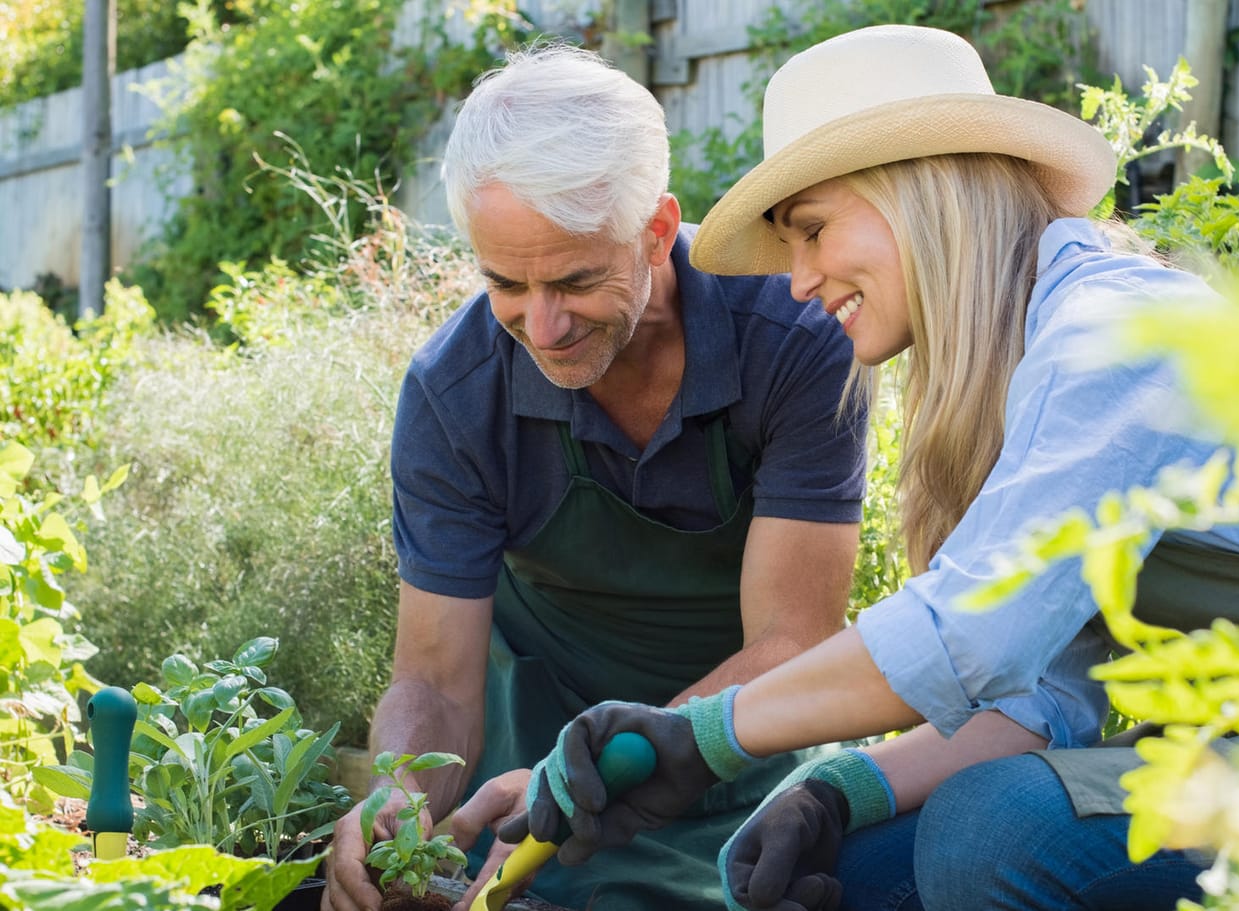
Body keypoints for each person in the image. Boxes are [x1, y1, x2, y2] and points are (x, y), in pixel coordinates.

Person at [508, 24, 1239, 911]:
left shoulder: (1112, 337)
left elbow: (969, 632)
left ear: (919, 190)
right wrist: (837, 790)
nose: (796, 281)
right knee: (854, 864)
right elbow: (1043, 702)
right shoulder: (1023, 371)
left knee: (993, 827)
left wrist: (704, 737)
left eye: (811, 230)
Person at [320, 43, 871, 911]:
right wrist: (397, 791)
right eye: (505, 281)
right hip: (529, 783)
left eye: (575, 279)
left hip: (742, 756)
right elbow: (432, 677)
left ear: (656, 231)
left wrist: (604, 766)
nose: (540, 325)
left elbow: (793, 641)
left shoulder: (790, 339)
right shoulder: (456, 393)